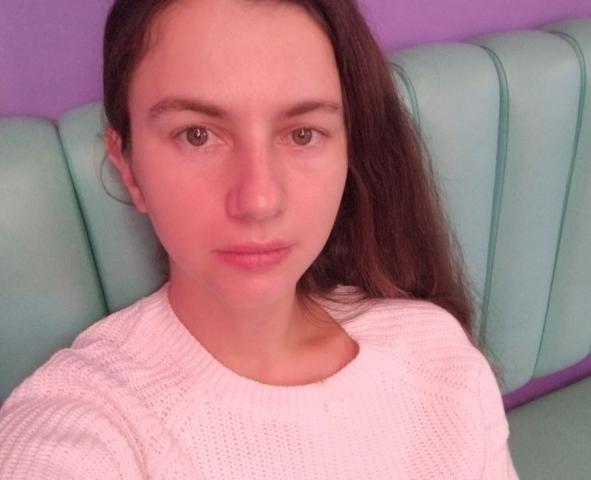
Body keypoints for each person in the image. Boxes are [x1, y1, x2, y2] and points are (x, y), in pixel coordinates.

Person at [0, 0, 518, 478]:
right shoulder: (86, 420)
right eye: (197, 134)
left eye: (302, 134)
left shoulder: (436, 351)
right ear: (129, 168)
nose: (258, 200)